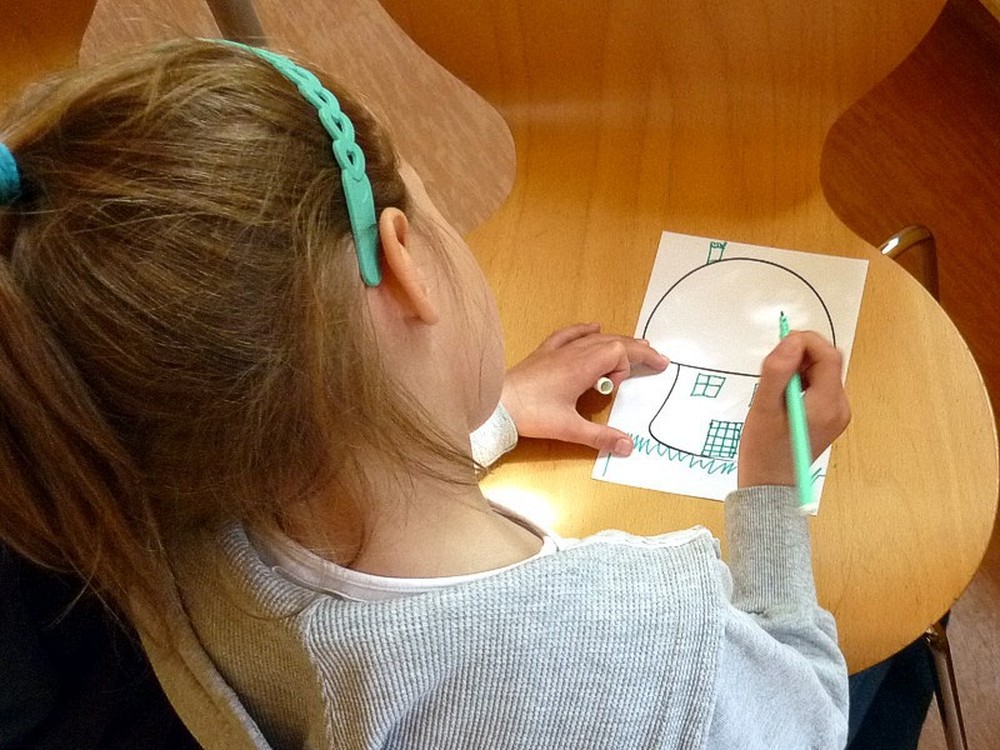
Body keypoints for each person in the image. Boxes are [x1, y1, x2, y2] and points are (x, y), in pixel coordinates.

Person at [0, 39, 852, 748]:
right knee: (893, 664)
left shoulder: (173, 520)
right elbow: (806, 715)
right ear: (403, 263)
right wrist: (774, 492)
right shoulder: (638, 649)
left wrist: (489, 414)